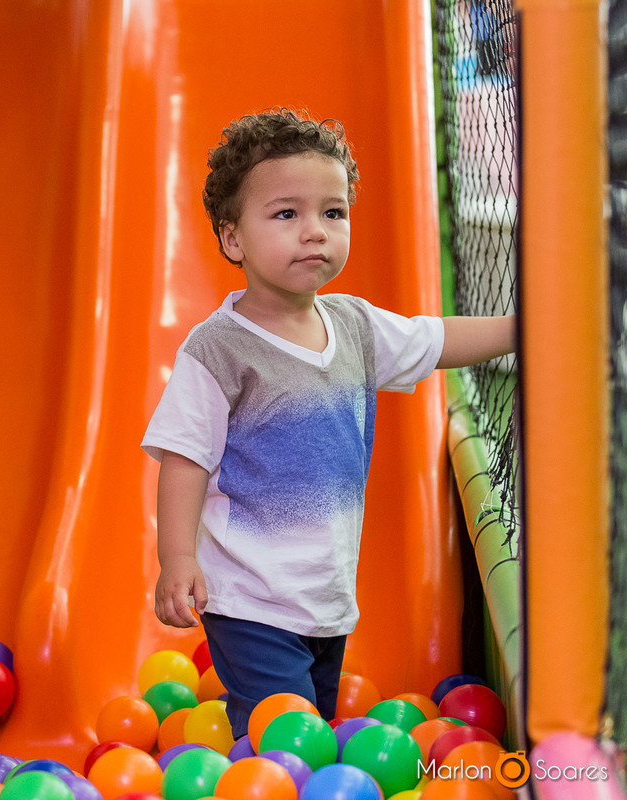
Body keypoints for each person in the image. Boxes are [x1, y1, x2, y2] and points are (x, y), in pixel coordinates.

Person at [140, 108, 515, 739]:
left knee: (314, 729)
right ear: (233, 239)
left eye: (333, 212)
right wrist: (177, 558)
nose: (315, 230)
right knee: (284, 741)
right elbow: (185, 457)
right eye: (287, 214)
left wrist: (518, 329)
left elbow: (436, 336)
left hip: (326, 597)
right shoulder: (219, 351)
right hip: (249, 596)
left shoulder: (355, 327)